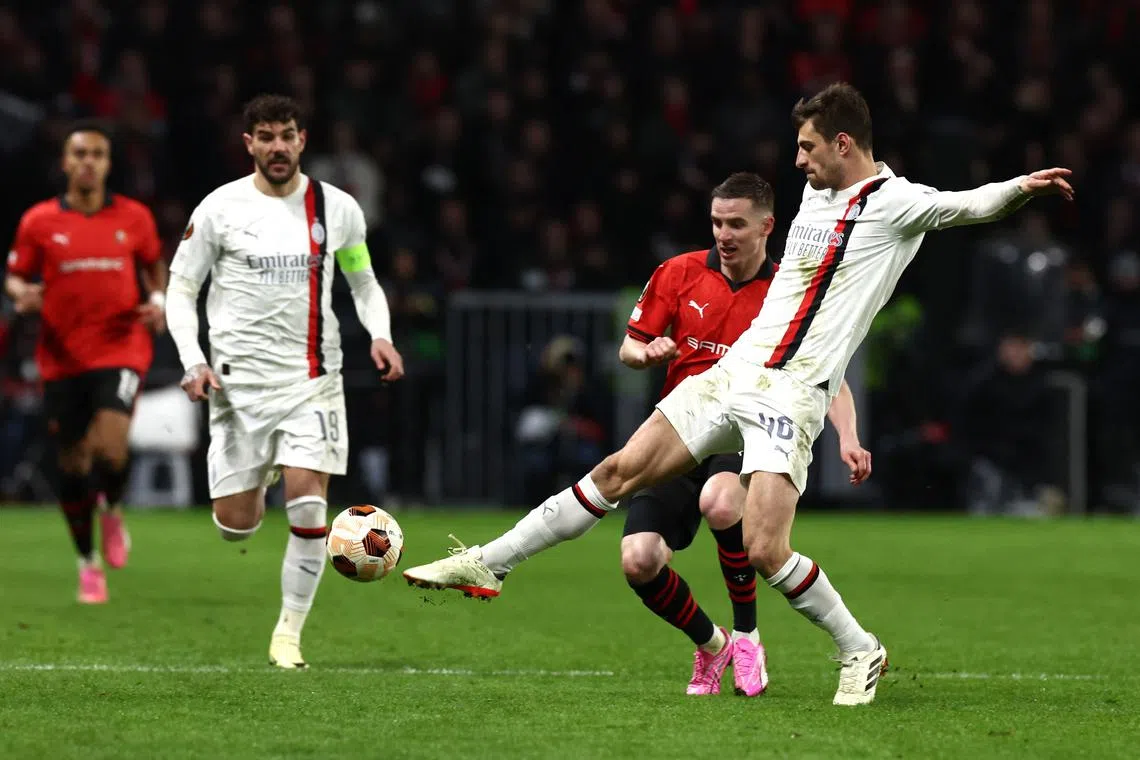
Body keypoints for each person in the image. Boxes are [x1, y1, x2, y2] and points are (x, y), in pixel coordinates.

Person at [403, 82, 1073, 705]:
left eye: (808, 146)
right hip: (734, 375)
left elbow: (968, 206)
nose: (798, 159)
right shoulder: (814, 194)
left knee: (765, 550)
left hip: (791, 396)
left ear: (844, 144)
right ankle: (489, 563)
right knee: (617, 471)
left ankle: (860, 649)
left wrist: (1024, 186)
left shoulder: (895, 205)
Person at [164, 94, 404, 669]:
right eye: (266, 136)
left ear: (302, 140)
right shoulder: (220, 209)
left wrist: (380, 333)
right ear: (249, 144)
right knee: (234, 526)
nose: (278, 146)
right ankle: (263, 469)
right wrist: (193, 361)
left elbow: (363, 281)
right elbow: (180, 291)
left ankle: (288, 635)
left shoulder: (337, 208)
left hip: (312, 381)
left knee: (306, 502)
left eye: (287, 135)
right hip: (236, 387)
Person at [617, 172, 870, 696]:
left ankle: (749, 634)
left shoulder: (790, 291)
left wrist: (848, 436)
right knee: (639, 561)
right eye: (716, 222)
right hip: (681, 431)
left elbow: (829, 378)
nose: (724, 234)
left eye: (736, 224)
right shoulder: (678, 272)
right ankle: (714, 645)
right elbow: (630, 347)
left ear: (766, 228)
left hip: (743, 435)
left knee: (721, 502)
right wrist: (648, 353)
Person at [5, 121, 167, 604]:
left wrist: (157, 299)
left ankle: (113, 510)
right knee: (73, 465)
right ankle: (86, 563)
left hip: (121, 346)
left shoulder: (135, 217)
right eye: (80, 153)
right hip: (61, 356)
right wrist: (23, 295)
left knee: (112, 448)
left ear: (108, 163)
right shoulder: (38, 222)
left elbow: (153, 264)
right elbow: (15, 277)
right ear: (65, 162)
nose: (88, 162)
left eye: (97, 154)